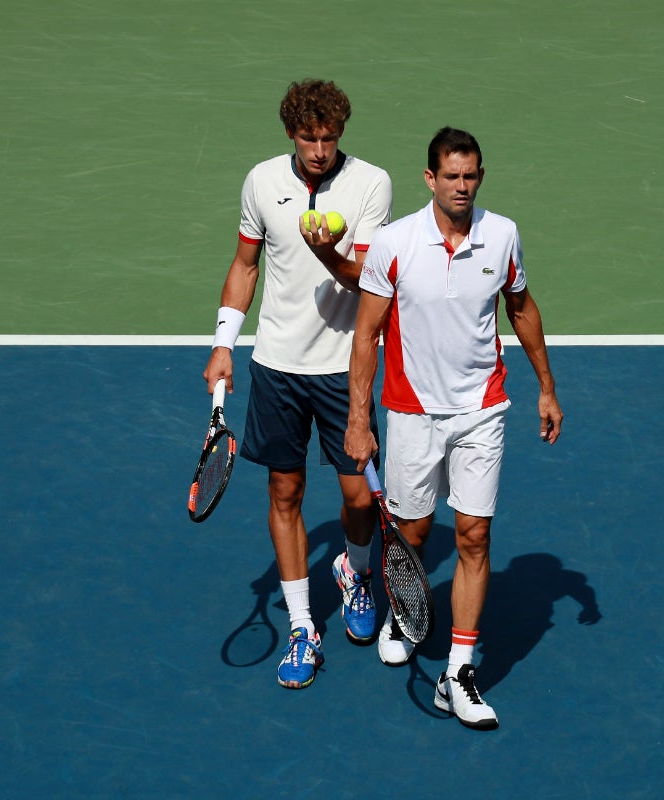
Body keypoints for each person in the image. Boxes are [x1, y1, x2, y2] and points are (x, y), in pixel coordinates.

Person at [345, 127, 564, 730]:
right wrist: (359, 419)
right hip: (412, 413)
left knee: (473, 537)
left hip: (482, 410)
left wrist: (546, 387)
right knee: (412, 534)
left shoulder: (504, 235)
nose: (462, 186)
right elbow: (366, 335)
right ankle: (407, 612)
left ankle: (458, 671)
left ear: (480, 178)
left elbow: (520, 308)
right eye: (451, 176)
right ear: (430, 179)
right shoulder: (393, 245)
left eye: (471, 176)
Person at [204, 79, 393, 690]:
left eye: (329, 138)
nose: (319, 149)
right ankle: (303, 627)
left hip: (345, 365)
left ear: (342, 134)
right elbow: (245, 263)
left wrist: (326, 254)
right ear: (292, 133)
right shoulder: (261, 181)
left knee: (360, 497)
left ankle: (354, 571)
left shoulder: (371, 184)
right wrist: (223, 344)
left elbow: (367, 278)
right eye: (309, 138)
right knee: (284, 493)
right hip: (278, 366)